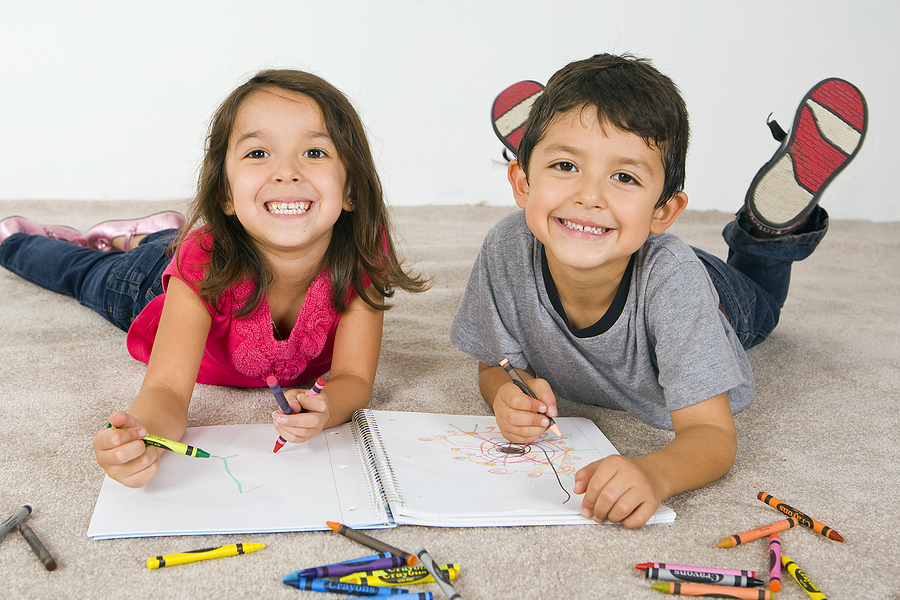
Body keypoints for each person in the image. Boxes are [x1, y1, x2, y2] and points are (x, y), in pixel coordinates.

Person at [450, 54, 866, 527]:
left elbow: (711, 432)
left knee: (762, 305)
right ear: (522, 183)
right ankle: (589, 151)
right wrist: (506, 393)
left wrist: (655, 472)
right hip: (621, 244)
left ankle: (766, 233)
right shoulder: (506, 246)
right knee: (605, 218)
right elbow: (495, 362)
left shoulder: (675, 281)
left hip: (709, 294)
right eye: (566, 165)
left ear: (664, 213)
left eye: (624, 176)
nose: (589, 196)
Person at [0, 69, 429, 487]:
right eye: (258, 153)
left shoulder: (363, 255)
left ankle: (155, 234)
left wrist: (326, 407)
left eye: (314, 152)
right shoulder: (203, 263)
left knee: (170, 240)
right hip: (148, 284)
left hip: (201, 244)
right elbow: (166, 390)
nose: (287, 172)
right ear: (225, 194)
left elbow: (354, 380)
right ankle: (24, 240)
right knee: (83, 275)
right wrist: (142, 433)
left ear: (351, 188)